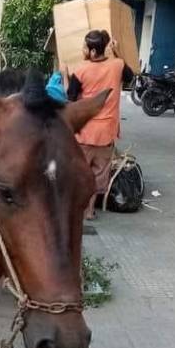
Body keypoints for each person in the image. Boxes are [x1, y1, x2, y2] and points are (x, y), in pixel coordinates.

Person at [67, 29, 134, 219]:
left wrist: (65, 76)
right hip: (106, 134)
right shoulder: (118, 65)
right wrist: (117, 53)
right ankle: (89, 211)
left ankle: (74, 210)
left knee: (79, 172)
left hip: (84, 133)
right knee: (98, 175)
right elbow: (130, 78)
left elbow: (70, 100)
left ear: (93, 52)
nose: (82, 50)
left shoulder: (80, 71)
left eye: (84, 47)